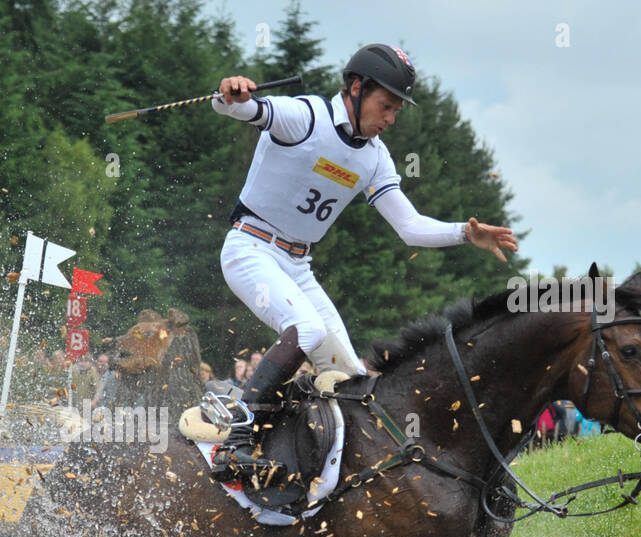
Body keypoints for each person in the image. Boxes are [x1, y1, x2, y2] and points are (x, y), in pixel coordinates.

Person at [208, 44, 518, 480]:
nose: (390, 119)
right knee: (308, 331)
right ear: (356, 88)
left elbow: (409, 227)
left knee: (351, 377)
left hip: (297, 265)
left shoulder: (374, 157)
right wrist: (229, 92)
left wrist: (465, 233)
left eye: (396, 111)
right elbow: (236, 108)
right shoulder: (306, 116)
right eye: (385, 106)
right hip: (249, 249)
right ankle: (235, 440)